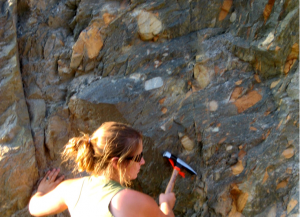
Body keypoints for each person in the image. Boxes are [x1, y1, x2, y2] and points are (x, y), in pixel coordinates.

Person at [29, 121, 176, 217]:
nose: (143, 162)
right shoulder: (131, 200)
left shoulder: (71, 189)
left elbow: (34, 208)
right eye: (138, 157)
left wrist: (41, 191)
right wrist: (166, 205)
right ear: (116, 163)